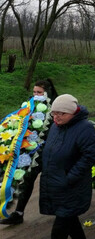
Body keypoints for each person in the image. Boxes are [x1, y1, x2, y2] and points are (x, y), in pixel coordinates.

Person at [39, 94, 95, 239]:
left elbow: (89, 156)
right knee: (70, 221)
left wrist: (69, 177)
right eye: (54, 113)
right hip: (55, 183)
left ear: (73, 113)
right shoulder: (55, 126)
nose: (56, 117)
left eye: (62, 113)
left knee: (60, 229)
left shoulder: (85, 128)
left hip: (72, 186)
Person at [1, 79, 58, 226]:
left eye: (39, 92)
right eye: (34, 92)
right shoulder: (29, 107)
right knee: (27, 180)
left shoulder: (55, 107)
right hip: (32, 152)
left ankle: (64, 212)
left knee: (53, 182)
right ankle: (18, 213)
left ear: (47, 92)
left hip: (50, 152)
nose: (36, 95)